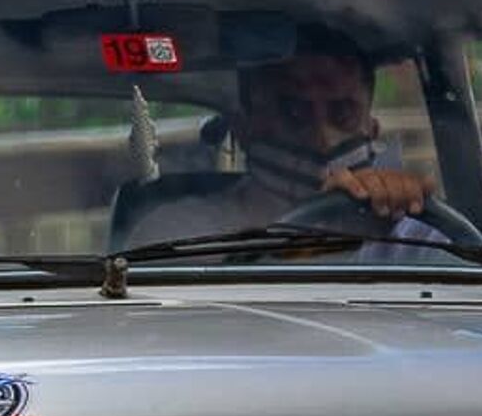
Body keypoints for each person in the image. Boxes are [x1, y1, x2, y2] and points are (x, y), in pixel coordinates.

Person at [122, 23, 440, 248]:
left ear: (371, 130)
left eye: (342, 113)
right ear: (244, 129)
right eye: (295, 112)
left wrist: (394, 212)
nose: (322, 138)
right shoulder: (179, 232)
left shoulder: (414, 235)